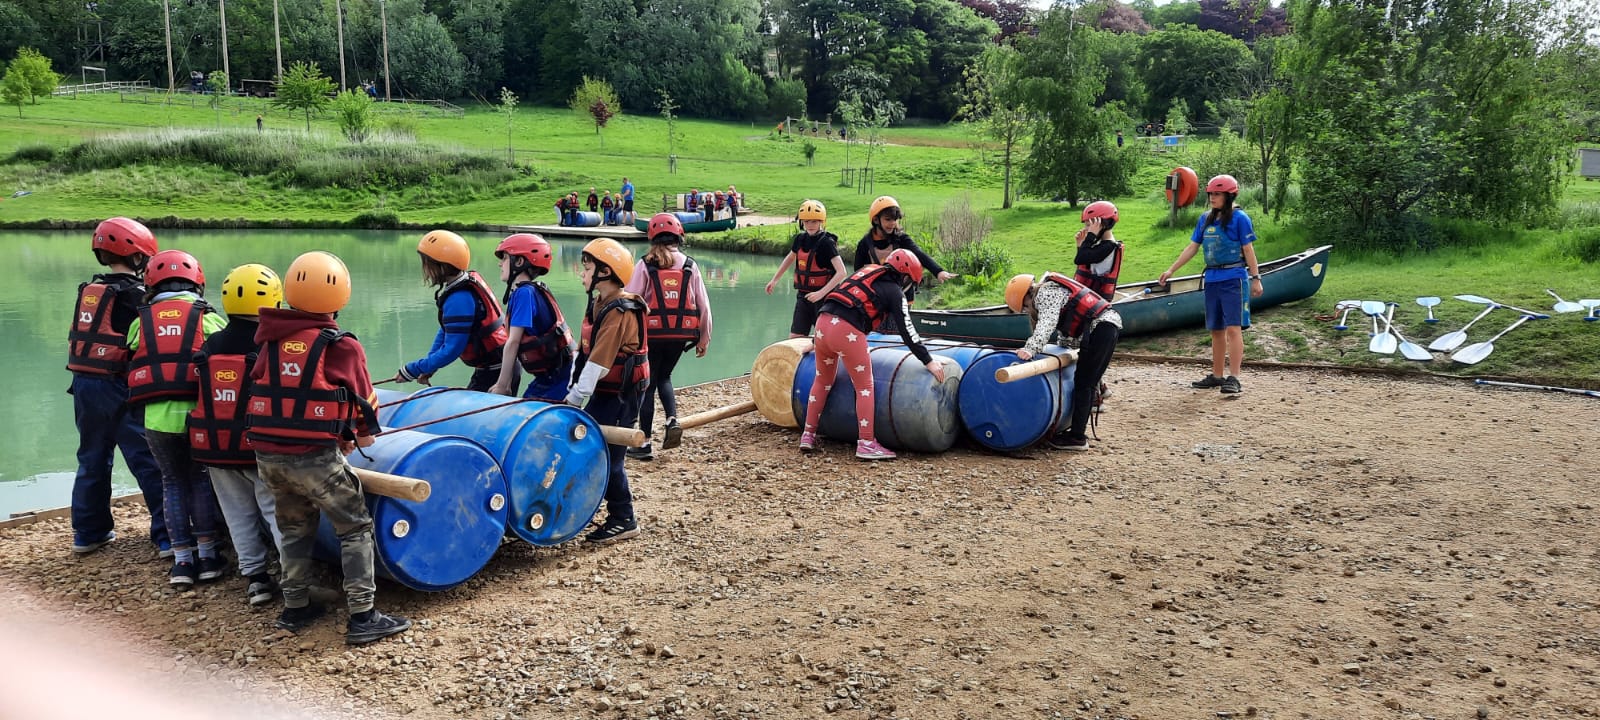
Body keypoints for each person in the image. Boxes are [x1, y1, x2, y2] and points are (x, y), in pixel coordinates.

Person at [248, 251, 411, 645]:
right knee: (354, 526)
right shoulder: (339, 345)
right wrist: (360, 439)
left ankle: (296, 605)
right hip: (314, 457)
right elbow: (364, 405)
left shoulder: (269, 340)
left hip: (267, 456)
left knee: (293, 528)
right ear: (340, 296)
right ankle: (363, 615)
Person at [66, 217, 169, 557]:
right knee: (147, 459)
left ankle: (88, 533)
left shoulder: (90, 291)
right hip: (118, 386)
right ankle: (168, 536)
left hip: (83, 387)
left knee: (92, 459)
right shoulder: (134, 296)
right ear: (138, 256)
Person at [126, 250, 228, 587]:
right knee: (199, 479)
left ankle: (182, 563)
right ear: (197, 282)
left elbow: (132, 348)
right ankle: (209, 557)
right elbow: (226, 349)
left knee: (171, 482)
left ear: (151, 283)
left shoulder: (141, 321)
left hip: (156, 420)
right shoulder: (207, 317)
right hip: (198, 416)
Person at [189, 264, 287, 605]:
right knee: (276, 512)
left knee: (237, 515)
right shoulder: (272, 346)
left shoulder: (211, 344)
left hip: (215, 447)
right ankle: (292, 578)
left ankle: (256, 580)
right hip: (258, 447)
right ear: (275, 300)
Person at [801, 250, 946, 461]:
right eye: (911, 284)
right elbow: (907, 330)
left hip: (822, 324)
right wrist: (928, 360)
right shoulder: (895, 291)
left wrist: (815, 341)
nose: (909, 289)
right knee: (864, 387)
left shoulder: (866, 272)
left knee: (822, 380)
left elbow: (841, 301)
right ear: (905, 277)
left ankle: (808, 434)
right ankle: (866, 443)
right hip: (848, 332)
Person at [567, 239, 649, 544]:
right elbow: (584, 352)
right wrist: (571, 387)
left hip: (622, 393)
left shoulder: (620, 311)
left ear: (606, 272)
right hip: (605, 390)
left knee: (609, 456)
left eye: (587, 268)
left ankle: (624, 518)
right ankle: (597, 509)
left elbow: (600, 362)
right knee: (588, 445)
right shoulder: (599, 303)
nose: (582, 274)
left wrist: (574, 398)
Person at [1158, 174, 1263, 395]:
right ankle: (1217, 375)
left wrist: (1256, 278)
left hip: (1234, 278)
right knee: (1216, 329)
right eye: (1211, 194)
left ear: (1229, 195)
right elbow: (1193, 247)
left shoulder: (1240, 218)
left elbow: (1248, 250)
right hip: (1213, 279)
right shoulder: (1205, 218)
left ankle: (1234, 377)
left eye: (1217, 194)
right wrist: (1170, 269)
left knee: (1233, 329)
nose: (1212, 198)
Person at [624, 214, 713, 461]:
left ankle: (644, 444)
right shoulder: (690, 266)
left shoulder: (644, 264)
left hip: (651, 334)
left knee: (648, 385)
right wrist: (704, 338)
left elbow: (630, 299)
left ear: (652, 238)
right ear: (679, 237)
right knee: (665, 376)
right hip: (680, 334)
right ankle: (672, 419)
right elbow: (704, 306)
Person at [1004, 272, 1122, 452]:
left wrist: (1030, 349)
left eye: (1026, 307)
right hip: (1105, 326)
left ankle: (1077, 438)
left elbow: (1047, 324)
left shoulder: (1045, 294)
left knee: (1084, 383)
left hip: (1102, 328)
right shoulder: (1054, 290)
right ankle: (1101, 390)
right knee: (1086, 378)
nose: (1028, 311)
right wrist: (1059, 350)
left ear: (1027, 296)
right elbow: (1067, 333)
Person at [391, 230, 512, 393]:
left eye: (426, 264)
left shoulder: (459, 299)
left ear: (441, 266)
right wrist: (429, 365)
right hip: (492, 367)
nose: (424, 269)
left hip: (496, 373)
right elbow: (446, 330)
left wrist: (411, 369)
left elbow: (451, 350)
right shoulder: (462, 285)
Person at [489, 234, 575, 402]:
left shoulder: (524, 294)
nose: (500, 263)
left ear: (519, 262)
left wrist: (502, 385)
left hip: (560, 377)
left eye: (505, 258)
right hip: (548, 376)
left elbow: (513, 342)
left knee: (530, 418)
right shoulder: (524, 292)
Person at [766, 200, 847, 339]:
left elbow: (842, 272)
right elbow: (790, 258)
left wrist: (821, 293)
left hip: (825, 298)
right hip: (803, 296)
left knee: (824, 338)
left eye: (814, 222)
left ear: (821, 222)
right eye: (806, 221)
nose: (810, 225)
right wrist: (775, 280)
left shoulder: (827, 243)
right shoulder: (800, 239)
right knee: (794, 337)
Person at [852, 196, 957, 289]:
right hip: (877, 294)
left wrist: (938, 271)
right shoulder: (865, 244)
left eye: (895, 219)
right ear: (876, 220)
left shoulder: (901, 238)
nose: (892, 223)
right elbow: (857, 272)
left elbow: (918, 253)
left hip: (902, 291)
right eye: (888, 219)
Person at [1074, 201, 1124, 301]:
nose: (1086, 229)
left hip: (1095, 300)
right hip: (1090, 294)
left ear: (1103, 225)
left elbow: (1079, 259)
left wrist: (1090, 237)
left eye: (1089, 225)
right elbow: (1085, 260)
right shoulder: (1102, 244)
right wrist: (1080, 244)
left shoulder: (1109, 246)